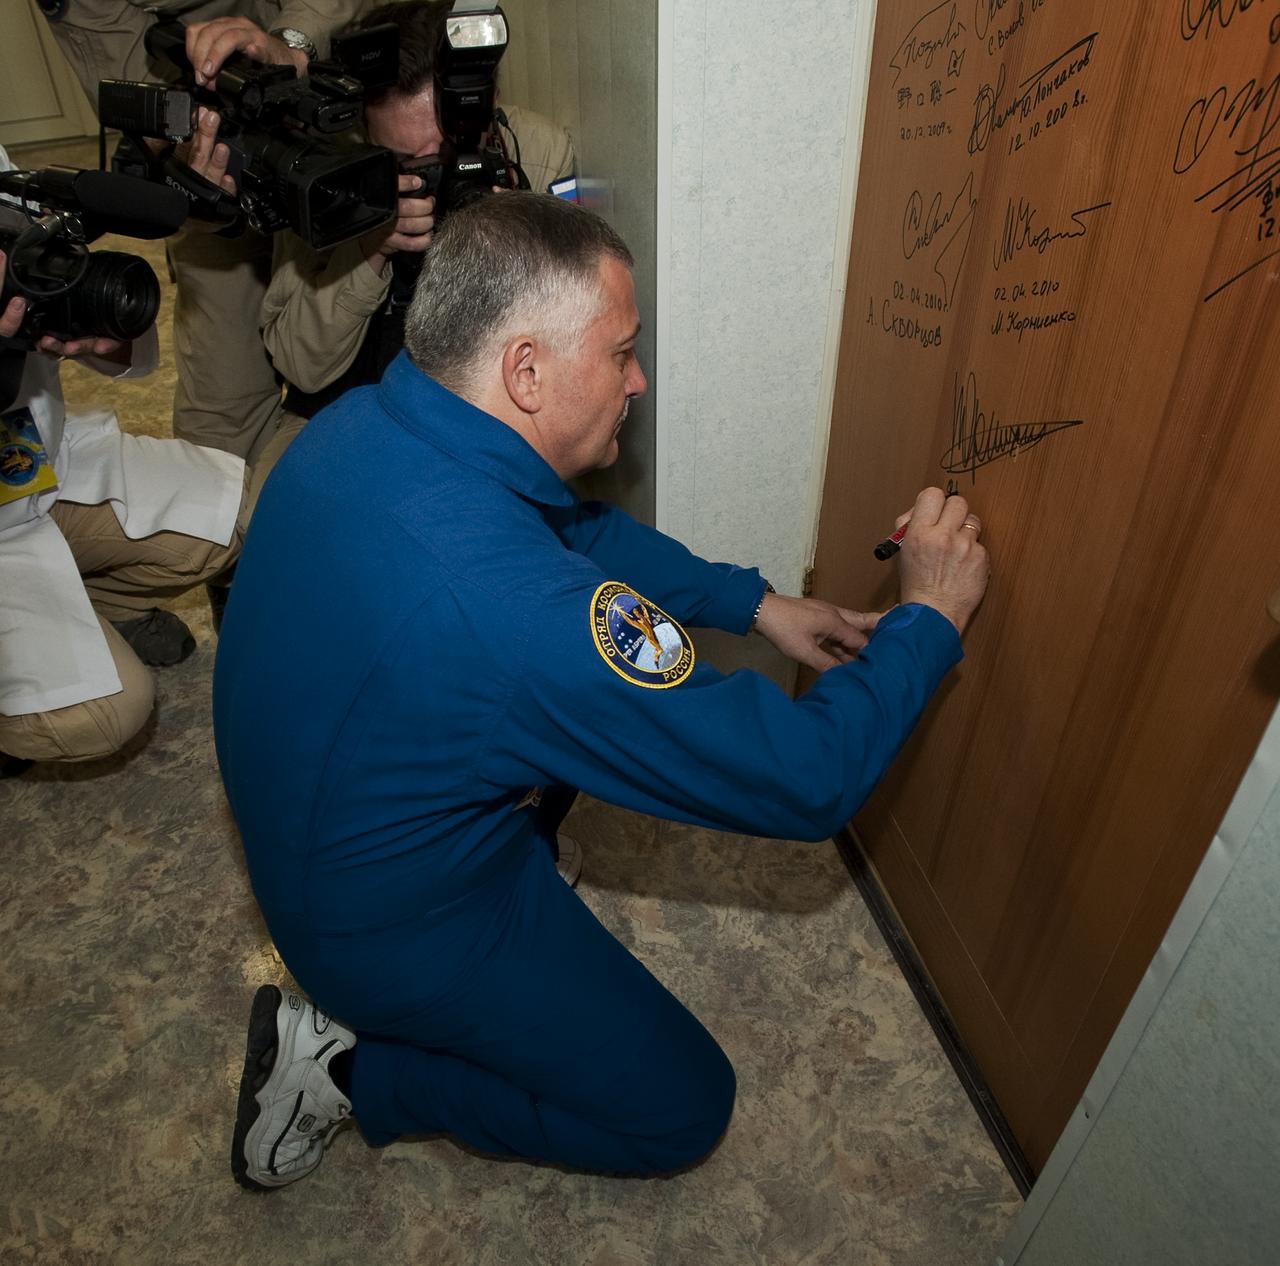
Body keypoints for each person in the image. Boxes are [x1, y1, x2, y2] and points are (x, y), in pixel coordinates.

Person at [212, 192, 990, 1191]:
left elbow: (571, 529)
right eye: (620, 351)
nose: (638, 378)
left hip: (334, 821)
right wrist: (926, 618)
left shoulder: (367, 419)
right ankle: (352, 1074)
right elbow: (802, 780)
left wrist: (753, 604)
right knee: (677, 1109)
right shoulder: (509, 614)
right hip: (383, 929)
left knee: (542, 705)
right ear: (525, 371)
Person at [251, 0, 576, 499]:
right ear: (364, 134)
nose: (431, 176)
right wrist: (366, 251)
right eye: (405, 161)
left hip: (488, 413)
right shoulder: (329, 174)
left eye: (444, 154)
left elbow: (574, 347)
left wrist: (523, 246)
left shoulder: (535, 149)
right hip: (358, 410)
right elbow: (302, 368)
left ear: (487, 105)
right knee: (274, 512)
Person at [38, 1, 362, 462]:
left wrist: (294, 44)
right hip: (203, 141)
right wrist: (186, 143)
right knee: (220, 421)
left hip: (333, 79)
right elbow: (123, 65)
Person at [0, 165, 246, 773]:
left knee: (235, 513)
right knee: (107, 711)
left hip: (37, 464)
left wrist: (93, 328)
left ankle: (95, 605)